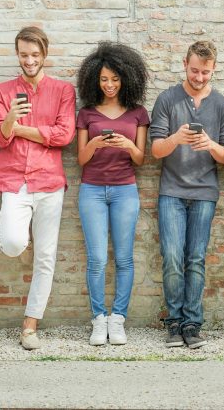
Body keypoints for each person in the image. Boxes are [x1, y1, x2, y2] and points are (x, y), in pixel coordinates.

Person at [0, 27, 76, 350]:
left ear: (45, 55)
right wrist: (11, 119)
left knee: (46, 257)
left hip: (50, 182)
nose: (29, 60)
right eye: (24, 55)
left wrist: (17, 129)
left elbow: (64, 136)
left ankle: (30, 325)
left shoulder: (63, 91)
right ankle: (22, 237)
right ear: (17, 54)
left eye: (35, 55)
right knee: (13, 243)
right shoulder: (1, 92)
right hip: (15, 180)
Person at [150, 41, 224, 349]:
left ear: (214, 70)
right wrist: (176, 138)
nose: (200, 77)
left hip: (204, 192)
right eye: (195, 70)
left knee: (196, 258)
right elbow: (156, 150)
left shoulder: (223, 105)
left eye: (206, 72)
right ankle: (173, 321)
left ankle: (192, 322)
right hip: (171, 190)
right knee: (172, 257)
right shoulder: (167, 99)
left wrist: (210, 145)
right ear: (184, 63)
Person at [75, 42, 150, 346]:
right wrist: (94, 145)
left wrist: (127, 145)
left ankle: (118, 318)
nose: (109, 85)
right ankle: (98, 319)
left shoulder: (138, 113)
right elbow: (81, 159)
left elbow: (141, 159)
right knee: (95, 259)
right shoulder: (87, 114)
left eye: (115, 79)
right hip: (92, 189)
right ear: (94, 79)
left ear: (127, 78)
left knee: (123, 258)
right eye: (104, 79)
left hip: (125, 190)